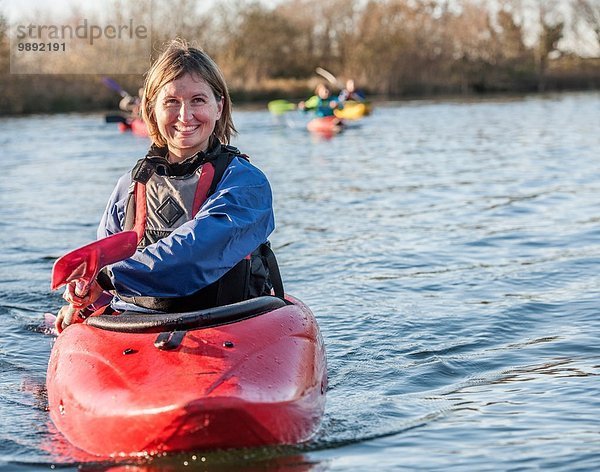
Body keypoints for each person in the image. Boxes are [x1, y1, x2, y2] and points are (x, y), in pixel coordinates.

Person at [56, 39, 283, 331]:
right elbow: (103, 262)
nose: (185, 116)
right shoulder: (130, 185)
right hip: (135, 326)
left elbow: (196, 252)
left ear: (219, 107)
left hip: (228, 321)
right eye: (171, 102)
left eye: (198, 100)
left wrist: (107, 279)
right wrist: (86, 296)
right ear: (152, 110)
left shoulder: (246, 184)